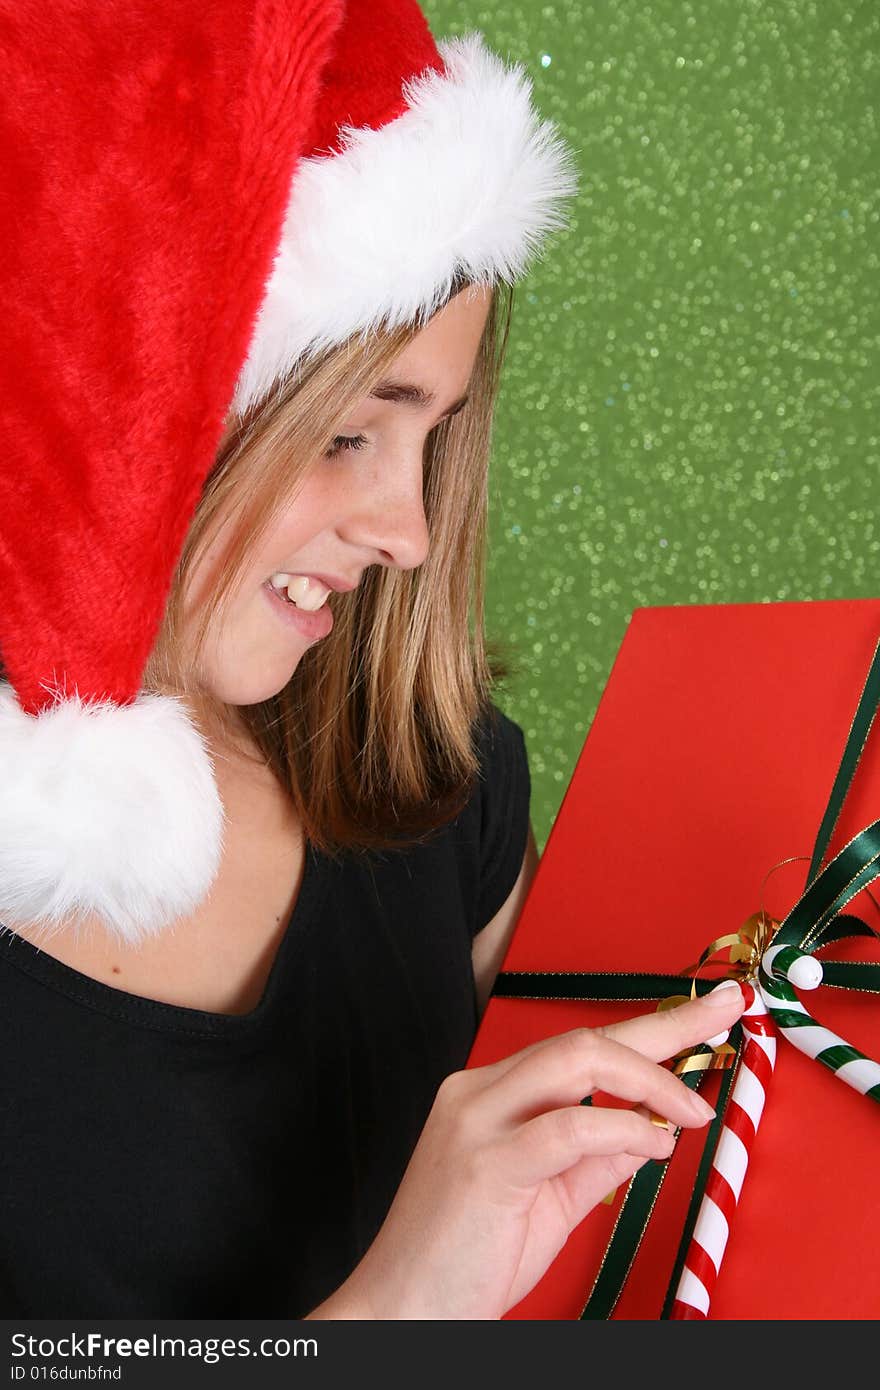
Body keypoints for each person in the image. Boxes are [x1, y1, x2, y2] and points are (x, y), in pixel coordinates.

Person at [0, 0, 746, 1318]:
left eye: (434, 433)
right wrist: (392, 1314)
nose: (407, 531)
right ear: (122, 396)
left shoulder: (427, 774)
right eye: (350, 433)